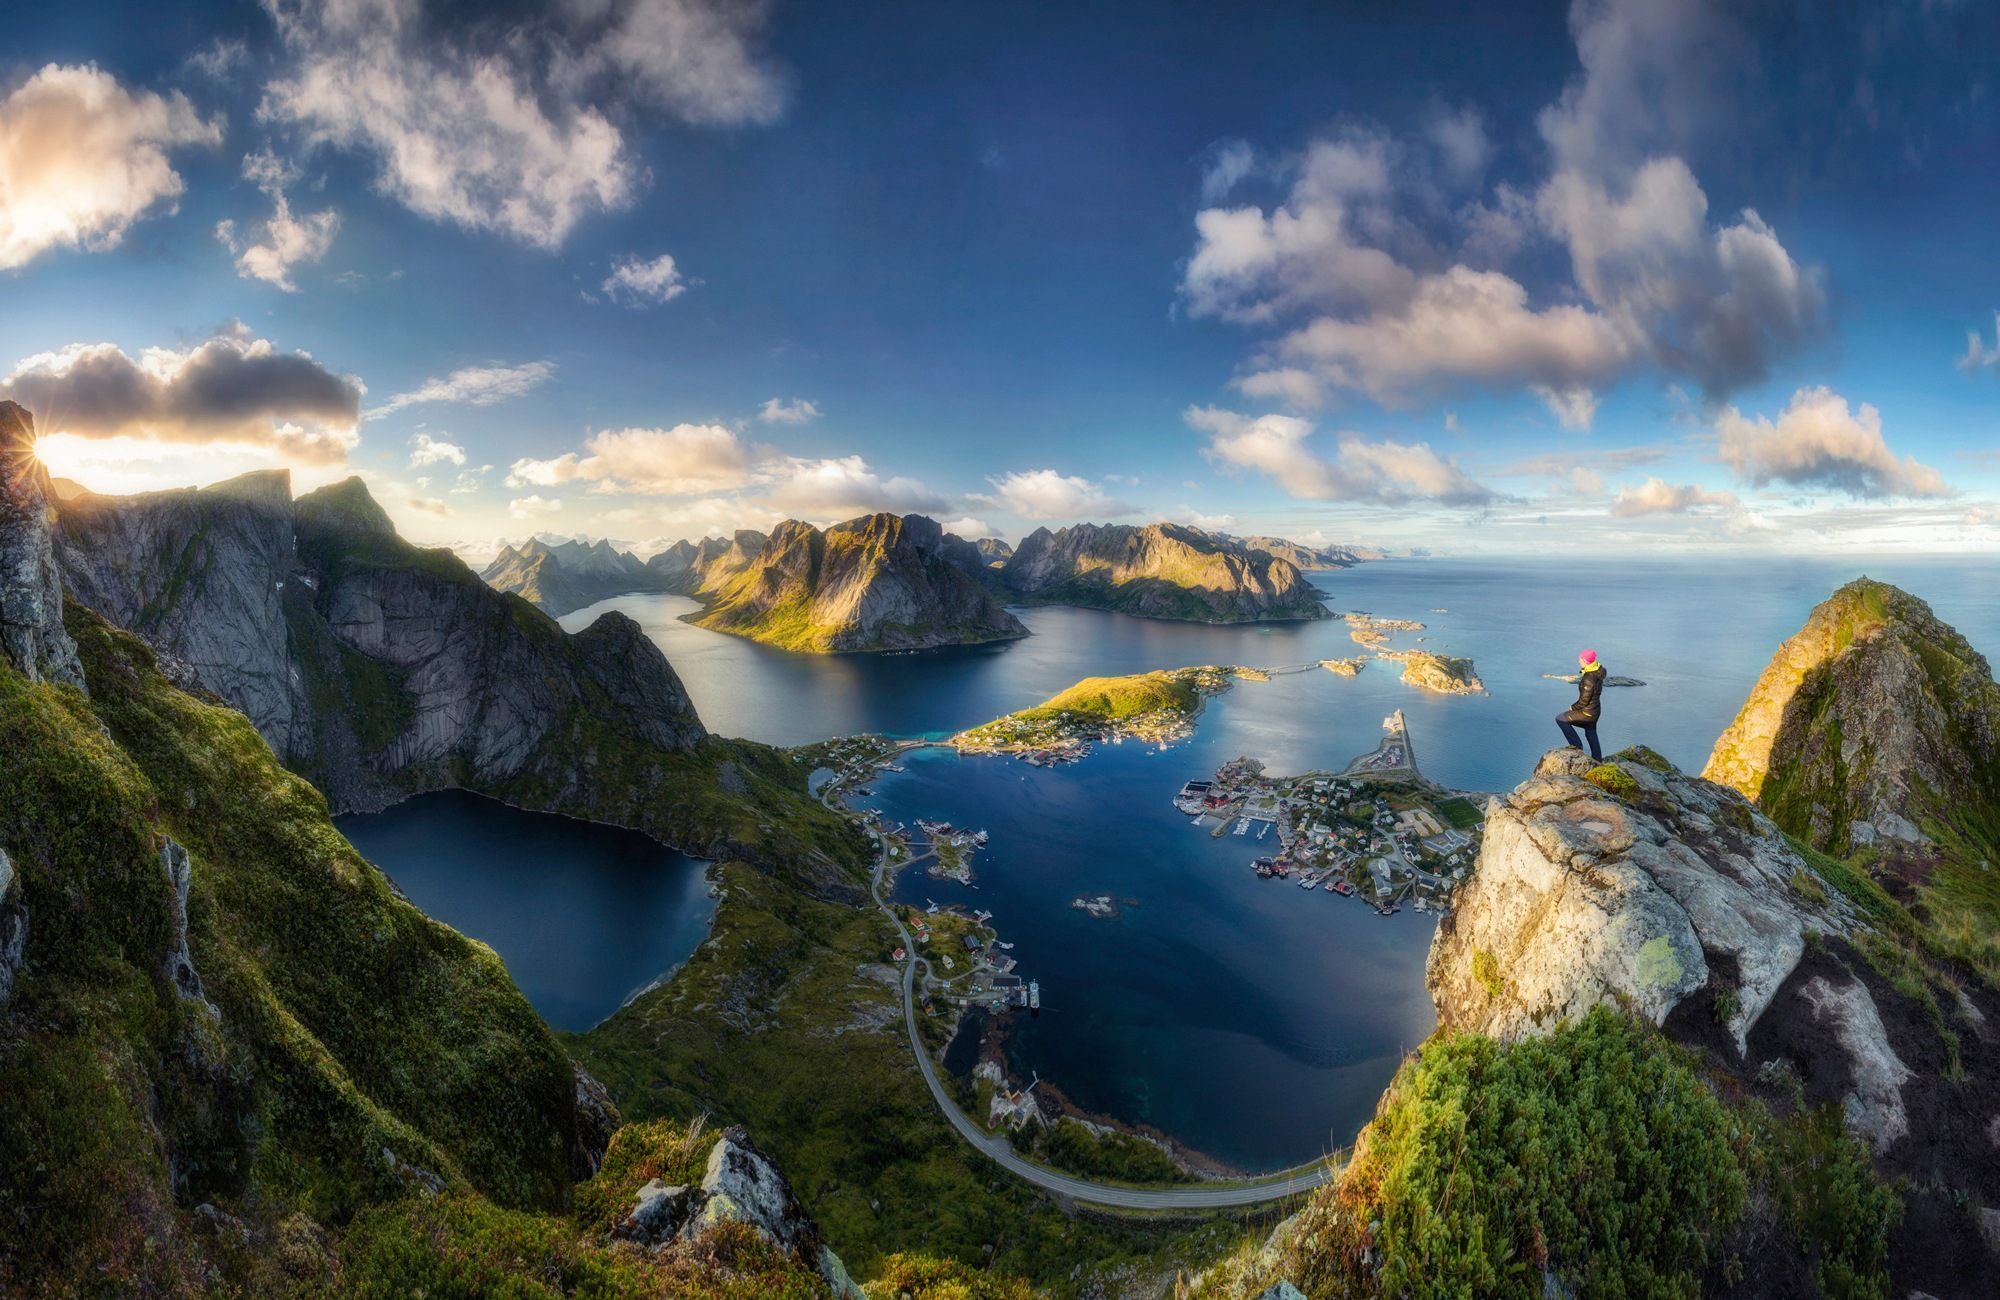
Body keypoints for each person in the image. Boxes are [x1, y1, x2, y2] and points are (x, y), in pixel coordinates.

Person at [1557, 649, 1605, 760]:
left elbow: (1584, 700)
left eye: (1580, 659)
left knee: (1560, 719)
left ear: (1586, 661)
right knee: (1590, 732)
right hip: (1594, 711)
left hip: (1587, 713)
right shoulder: (1597, 672)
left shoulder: (1589, 678)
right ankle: (1598, 760)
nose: (1578, 661)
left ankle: (1576, 745)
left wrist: (1573, 707)